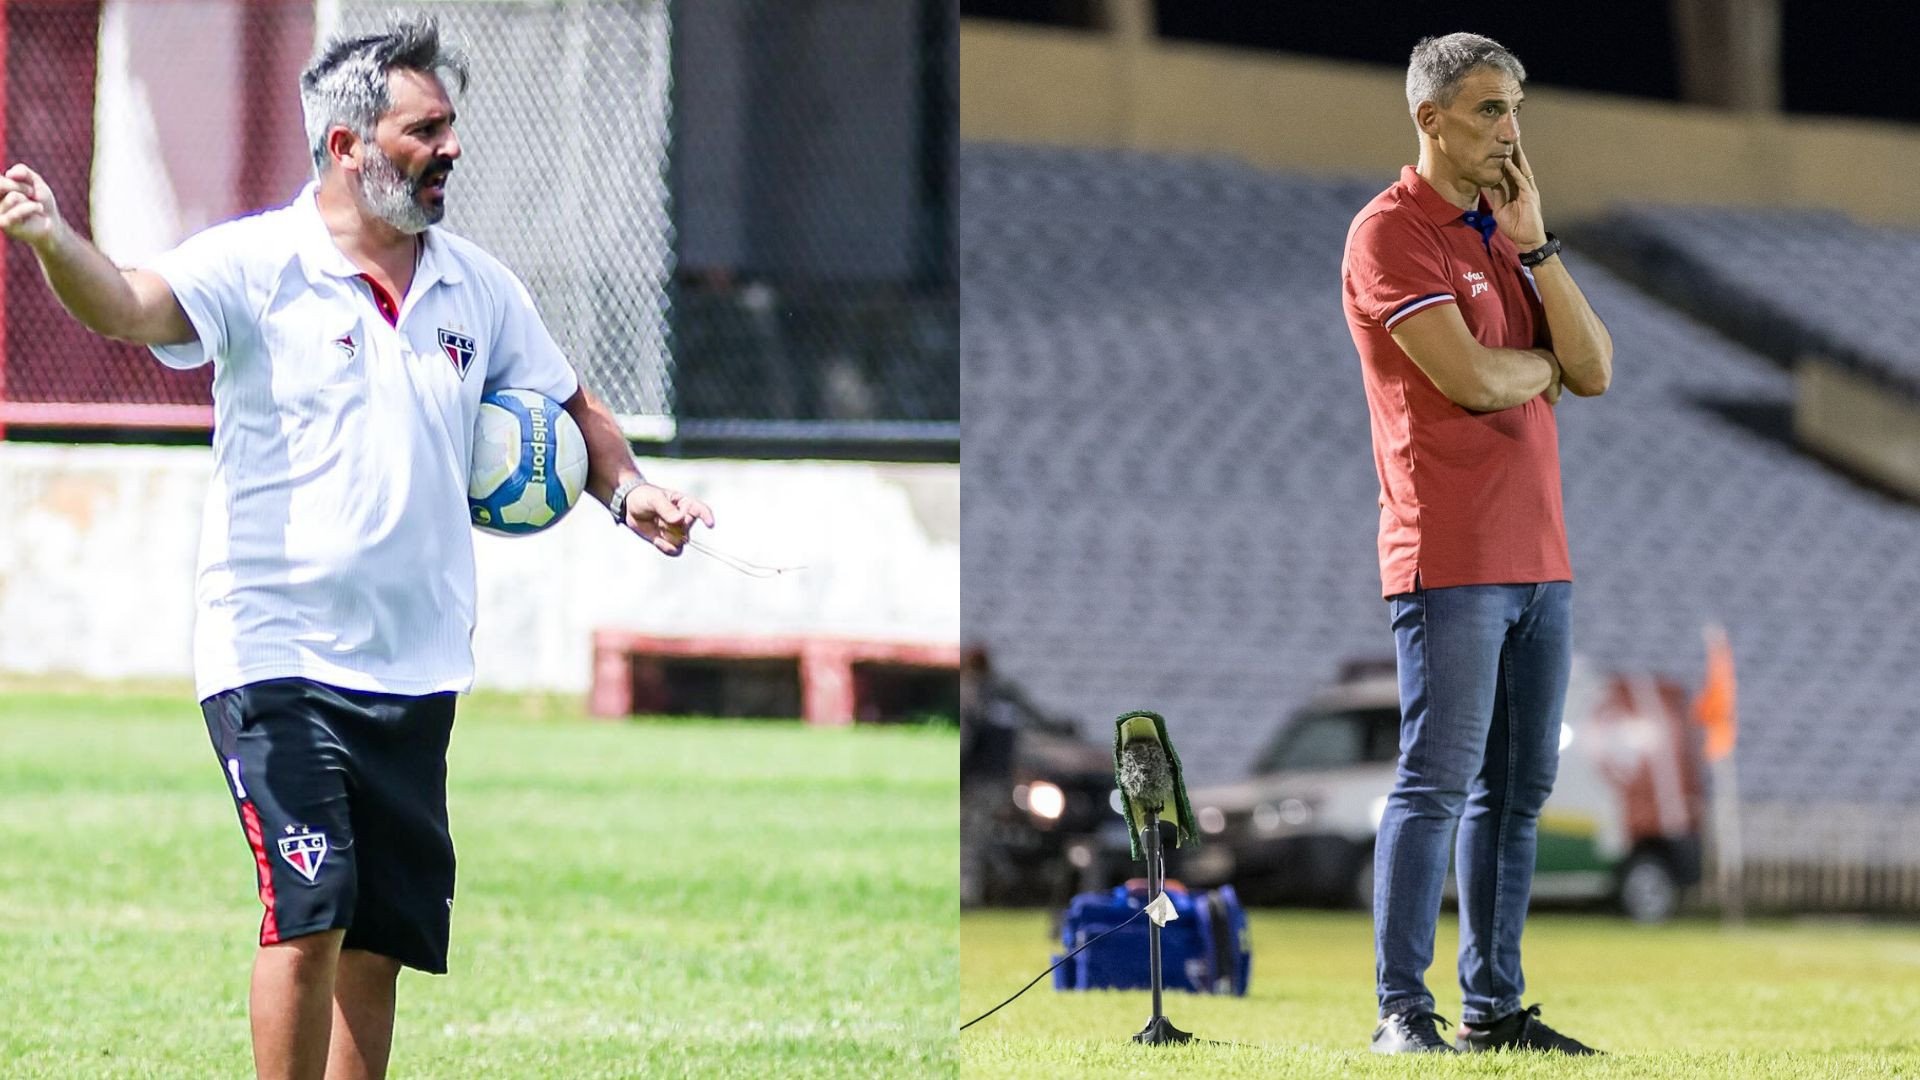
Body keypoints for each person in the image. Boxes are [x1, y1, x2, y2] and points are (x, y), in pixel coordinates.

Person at [0, 16, 713, 1080]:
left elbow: (576, 409)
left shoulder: (479, 286)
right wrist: (57, 242)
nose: (452, 150)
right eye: (427, 129)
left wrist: (631, 493)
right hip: (273, 653)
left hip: (418, 662)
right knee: (309, 906)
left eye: (451, 127)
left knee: (380, 940)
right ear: (347, 146)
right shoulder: (252, 263)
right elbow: (130, 306)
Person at [1340, 32, 1613, 1055]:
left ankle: (1494, 1010)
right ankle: (1401, 1011)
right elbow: (1472, 379)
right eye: (1493, 109)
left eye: (1517, 109)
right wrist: (1539, 366)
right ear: (1432, 118)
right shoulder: (1388, 234)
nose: (1512, 131)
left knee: (1520, 793)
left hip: (1542, 560)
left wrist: (1538, 245)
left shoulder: (1503, 235)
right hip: (1448, 554)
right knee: (1437, 783)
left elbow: (1597, 368)